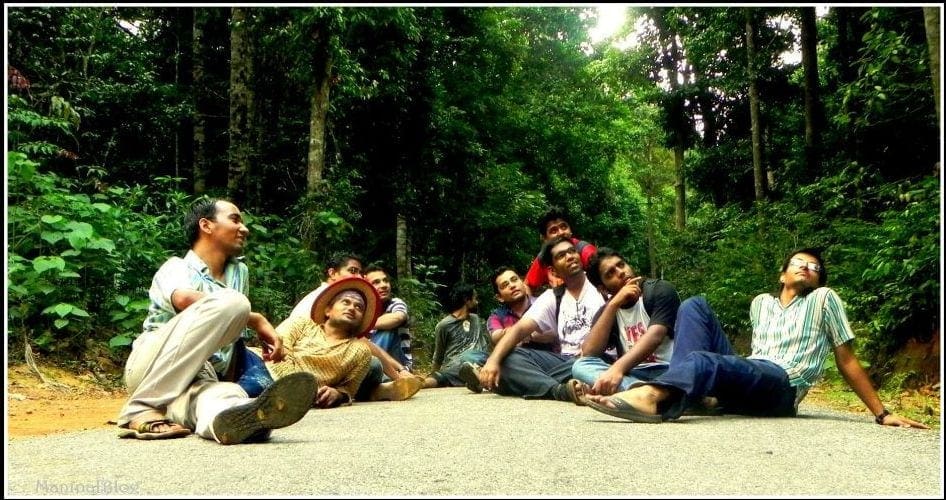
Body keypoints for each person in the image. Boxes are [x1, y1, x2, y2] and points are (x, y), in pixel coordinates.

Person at [584, 248, 931, 429]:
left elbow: (847, 359)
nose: (807, 268)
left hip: (783, 386)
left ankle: (656, 396)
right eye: (799, 262)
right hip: (756, 373)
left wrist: (882, 413)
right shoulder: (761, 304)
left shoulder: (824, 299)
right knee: (694, 305)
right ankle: (696, 395)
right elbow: (753, 358)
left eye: (814, 268)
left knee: (706, 362)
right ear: (782, 274)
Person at [116, 198, 316, 444]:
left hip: (198, 377)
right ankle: (140, 408)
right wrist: (255, 319)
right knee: (235, 303)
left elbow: (231, 345)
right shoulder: (176, 267)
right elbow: (184, 298)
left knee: (226, 396)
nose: (244, 228)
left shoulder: (239, 273)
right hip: (152, 366)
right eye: (235, 220)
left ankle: (242, 422)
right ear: (206, 225)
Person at [478, 237, 605, 402]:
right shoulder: (553, 296)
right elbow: (519, 330)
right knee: (508, 357)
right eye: (561, 255)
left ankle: (528, 382)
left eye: (572, 251)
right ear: (553, 271)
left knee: (507, 374)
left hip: (599, 358)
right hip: (565, 361)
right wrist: (492, 360)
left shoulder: (601, 284)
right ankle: (560, 390)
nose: (569, 257)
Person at [284, 253, 422, 403]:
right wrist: (398, 374)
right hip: (306, 367)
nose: (359, 277)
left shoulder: (383, 303)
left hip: (332, 366)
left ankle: (376, 389)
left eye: (360, 273)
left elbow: (361, 341)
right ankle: (377, 390)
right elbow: (282, 347)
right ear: (332, 273)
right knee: (373, 364)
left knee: (369, 361)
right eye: (353, 271)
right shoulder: (321, 300)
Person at [571, 248, 681, 396]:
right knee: (580, 366)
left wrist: (617, 369)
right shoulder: (608, 311)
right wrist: (613, 305)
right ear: (603, 288)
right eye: (610, 273)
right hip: (634, 375)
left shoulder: (659, 290)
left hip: (668, 370)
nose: (621, 272)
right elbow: (589, 352)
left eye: (621, 265)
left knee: (601, 373)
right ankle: (642, 392)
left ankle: (639, 393)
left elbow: (655, 336)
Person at [265, 277, 381, 408]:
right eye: (346, 302)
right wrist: (298, 387)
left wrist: (337, 394)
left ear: (361, 319)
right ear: (328, 310)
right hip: (265, 370)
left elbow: (348, 389)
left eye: (359, 307)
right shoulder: (302, 324)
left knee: (376, 365)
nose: (352, 308)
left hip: (301, 395)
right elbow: (276, 349)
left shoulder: (360, 351)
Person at [457, 266, 556, 393]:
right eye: (505, 285)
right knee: (469, 356)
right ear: (499, 297)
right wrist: (518, 334)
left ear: (523, 283)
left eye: (514, 280)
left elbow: (554, 332)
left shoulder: (544, 303)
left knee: (512, 360)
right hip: (508, 358)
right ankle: (492, 378)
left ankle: (485, 380)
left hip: (543, 358)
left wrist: (527, 335)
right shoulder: (496, 316)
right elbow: (496, 336)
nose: (512, 286)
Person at [422, 282, 491, 389]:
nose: (477, 302)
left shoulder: (476, 319)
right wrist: (434, 373)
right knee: (444, 375)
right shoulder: (444, 325)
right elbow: (438, 354)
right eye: (474, 298)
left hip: (478, 361)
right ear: (466, 300)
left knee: (473, 360)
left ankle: (476, 378)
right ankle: (417, 384)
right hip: (456, 366)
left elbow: (486, 345)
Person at [523, 206, 597, 291]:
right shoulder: (543, 258)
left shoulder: (584, 249)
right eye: (553, 231)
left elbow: (604, 269)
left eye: (564, 227)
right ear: (544, 239)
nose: (561, 233)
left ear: (570, 230)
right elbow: (527, 285)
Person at [363, 264, 414, 372]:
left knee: (387, 328)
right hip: (375, 362)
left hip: (400, 362)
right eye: (376, 282)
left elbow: (398, 317)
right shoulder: (364, 311)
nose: (384, 285)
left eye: (385, 281)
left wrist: (362, 326)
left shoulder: (395, 303)